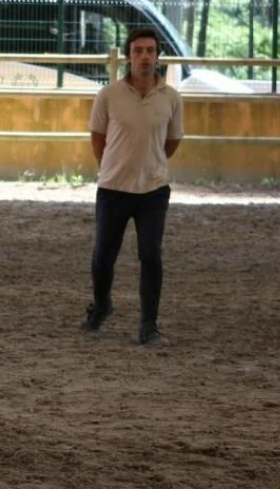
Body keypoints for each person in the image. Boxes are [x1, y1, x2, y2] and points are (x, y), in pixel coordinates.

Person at [80, 26, 183, 347]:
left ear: (158, 57)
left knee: (151, 255)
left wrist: (150, 164)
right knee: (103, 257)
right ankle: (101, 305)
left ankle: (149, 325)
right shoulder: (108, 95)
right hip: (113, 188)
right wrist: (114, 167)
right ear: (128, 57)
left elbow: (172, 141)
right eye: (138, 51)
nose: (144, 57)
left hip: (153, 190)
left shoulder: (171, 98)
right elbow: (98, 139)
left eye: (150, 51)